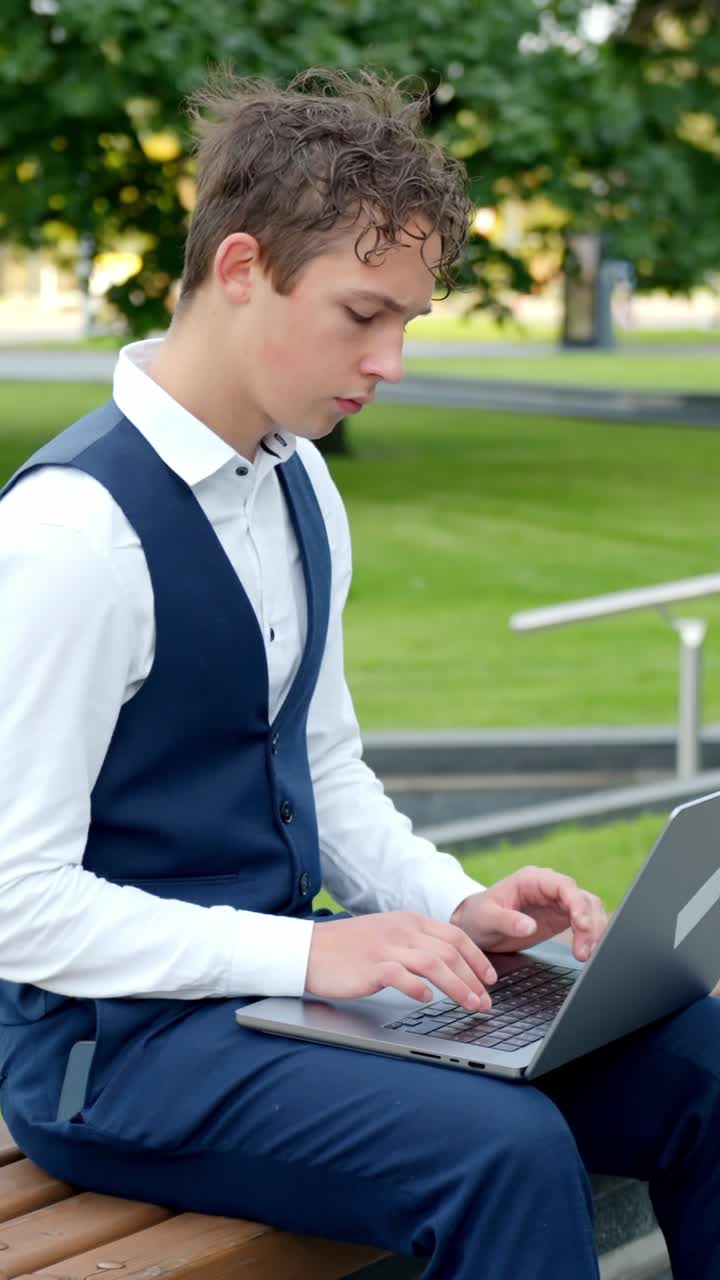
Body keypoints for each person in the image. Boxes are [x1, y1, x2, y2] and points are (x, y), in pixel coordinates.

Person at [0, 66, 718, 1280]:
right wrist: (310, 956)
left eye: (409, 323)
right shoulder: (73, 538)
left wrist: (452, 907)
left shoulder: (298, 478)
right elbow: (18, 902)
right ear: (239, 270)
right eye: (362, 312)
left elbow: (322, 767)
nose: (389, 360)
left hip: (284, 1001)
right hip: (111, 1053)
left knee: (702, 1058)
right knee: (502, 1150)